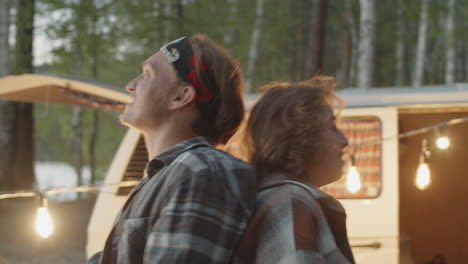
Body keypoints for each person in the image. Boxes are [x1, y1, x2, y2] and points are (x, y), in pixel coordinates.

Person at [88, 35, 257, 264]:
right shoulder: (170, 175)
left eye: (147, 74)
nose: (131, 85)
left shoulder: (202, 171)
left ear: (180, 97)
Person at [234, 77, 355, 264]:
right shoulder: (291, 201)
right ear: (301, 135)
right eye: (331, 126)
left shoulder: (275, 196)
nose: (344, 140)